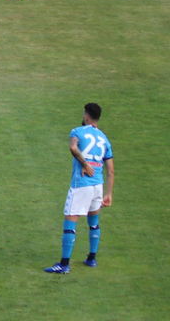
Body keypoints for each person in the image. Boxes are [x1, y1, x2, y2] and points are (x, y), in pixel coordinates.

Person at [45, 104, 114, 273]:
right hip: (98, 186)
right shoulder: (104, 139)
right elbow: (111, 170)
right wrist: (109, 194)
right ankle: (91, 259)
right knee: (93, 222)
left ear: (87, 116)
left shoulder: (77, 131)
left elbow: (73, 147)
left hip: (82, 184)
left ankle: (64, 264)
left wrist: (85, 164)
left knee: (70, 222)